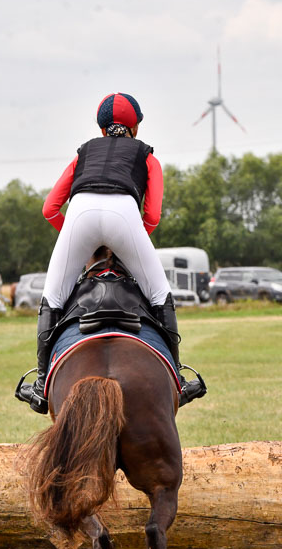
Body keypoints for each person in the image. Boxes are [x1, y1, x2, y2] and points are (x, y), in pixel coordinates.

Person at [29, 92, 206, 414]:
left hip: (79, 214)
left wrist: (82, 242)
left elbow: (49, 209)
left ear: (101, 129)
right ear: (136, 127)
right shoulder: (147, 156)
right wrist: (127, 243)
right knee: (160, 294)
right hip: (124, 215)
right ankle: (178, 380)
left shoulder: (82, 154)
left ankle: (41, 385)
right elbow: (151, 216)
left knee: (52, 299)